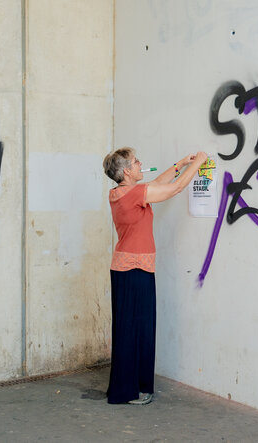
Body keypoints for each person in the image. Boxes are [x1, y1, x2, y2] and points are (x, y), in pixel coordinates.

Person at [102, 147, 208, 405]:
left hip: (132, 269)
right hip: (133, 271)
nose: (140, 164)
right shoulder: (134, 194)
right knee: (134, 331)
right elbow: (173, 189)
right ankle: (128, 391)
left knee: (138, 329)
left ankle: (136, 387)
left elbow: (157, 183)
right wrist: (199, 163)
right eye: (136, 162)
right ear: (127, 171)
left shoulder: (120, 193)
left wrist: (181, 162)